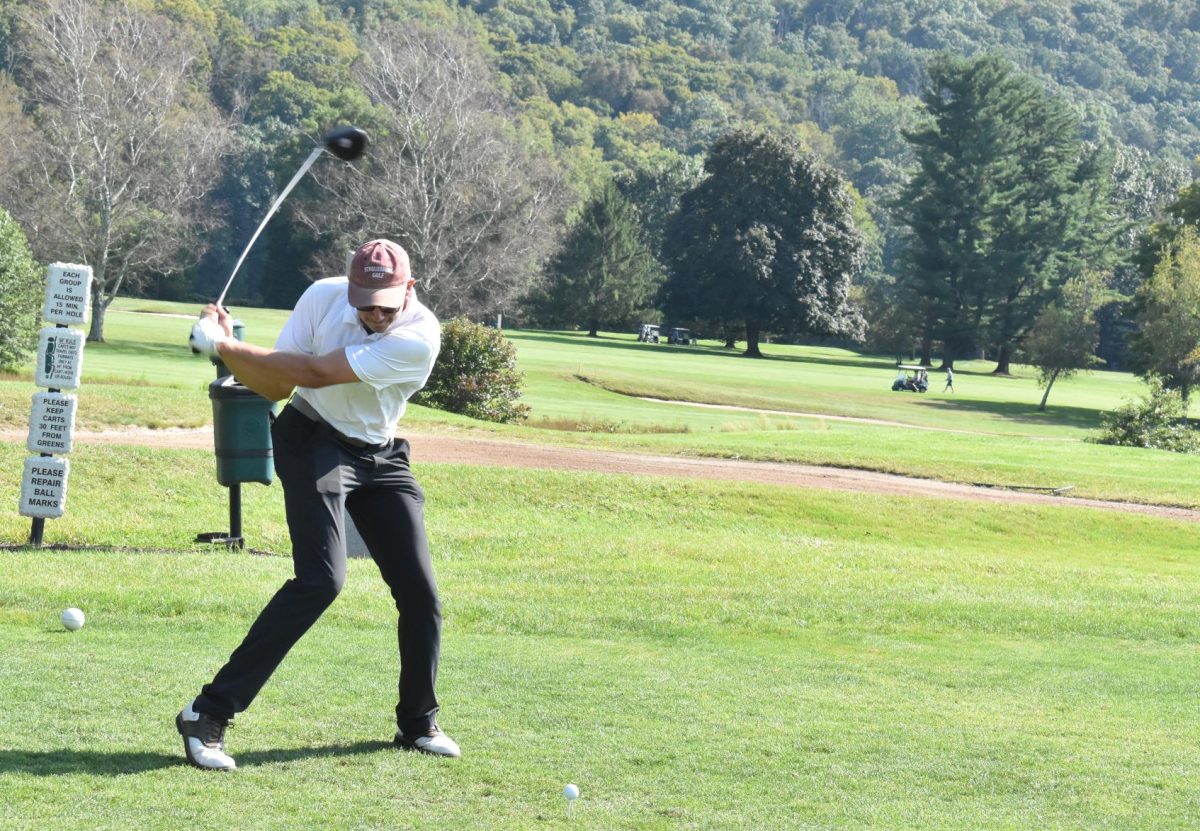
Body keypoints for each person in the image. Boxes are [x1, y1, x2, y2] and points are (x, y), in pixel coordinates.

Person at [180, 238, 458, 771]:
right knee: (321, 581)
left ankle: (417, 720)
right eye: (364, 302)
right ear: (350, 288)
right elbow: (278, 384)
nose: (374, 314)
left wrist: (222, 345)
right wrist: (229, 346)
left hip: (381, 454)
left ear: (410, 290)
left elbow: (319, 372)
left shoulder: (418, 338)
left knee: (420, 593)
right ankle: (207, 712)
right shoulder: (323, 297)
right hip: (313, 439)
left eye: (386, 304)